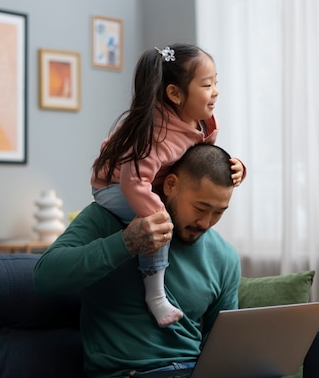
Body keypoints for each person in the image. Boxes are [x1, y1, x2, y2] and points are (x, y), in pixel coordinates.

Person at [33, 143, 241, 378]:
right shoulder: (107, 218)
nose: (206, 222)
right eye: (200, 208)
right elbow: (44, 277)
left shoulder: (224, 257)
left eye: (219, 212)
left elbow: (222, 347)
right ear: (171, 185)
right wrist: (125, 244)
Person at [90, 43, 245, 327]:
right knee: (158, 225)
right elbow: (132, 180)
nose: (216, 92)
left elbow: (202, 162)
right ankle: (156, 295)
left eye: (216, 83)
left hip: (147, 182)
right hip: (113, 186)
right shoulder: (155, 135)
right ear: (175, 93)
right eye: (207, 85)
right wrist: (156, 213)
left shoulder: (204, 124)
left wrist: (236, 168)